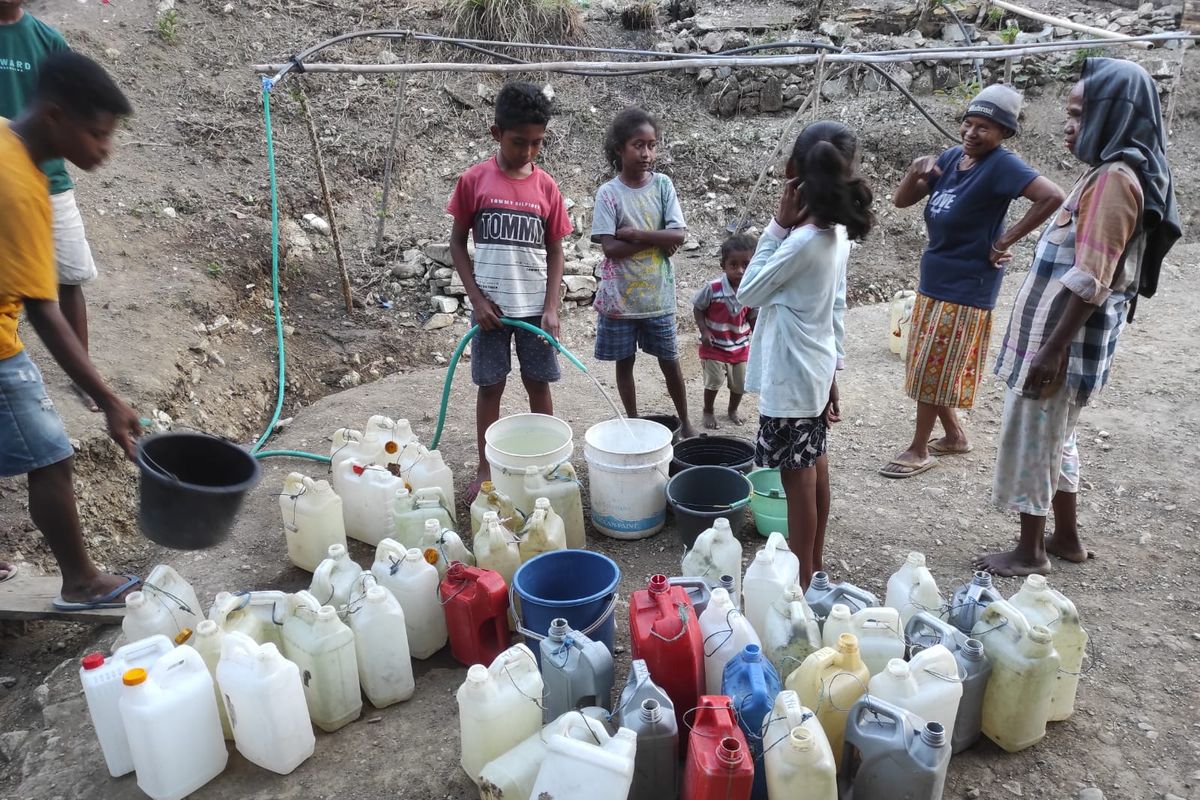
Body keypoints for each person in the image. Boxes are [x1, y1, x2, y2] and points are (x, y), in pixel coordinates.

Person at [976, 58, 1181, 576]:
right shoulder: (1112, 168)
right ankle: (1066, 538)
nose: (1068, 125)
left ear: (1113, 114)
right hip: (1066, 342)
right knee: (1058, 436)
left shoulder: (1116, 179)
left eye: (1078, 114)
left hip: (1063, 343)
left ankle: (1031, 551)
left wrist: (1051, 349)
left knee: (1035, 435)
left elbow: (1093, 277)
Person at [0, 51, 142, 606]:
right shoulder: (23, 190)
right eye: (97, 134)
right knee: (50, 456)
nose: (105, 150)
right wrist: (105, 398)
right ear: (56, 115)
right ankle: (81, 581)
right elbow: (45, 312)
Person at [879, 85, 1064, 479]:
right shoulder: (951, 158)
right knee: (928, 364)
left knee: (933, 366)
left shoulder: (1002, 166)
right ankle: (955, 436)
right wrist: (915, 170)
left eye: (985, 127)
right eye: (968, 123)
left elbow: (1052, 196)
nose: (972, 132)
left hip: (967, 285)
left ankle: (918, 449)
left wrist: (1003, 241)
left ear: (1004, 134)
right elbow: (901, 202)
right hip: (935, 277)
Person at [737, 120, 873, 588]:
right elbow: (834, 308)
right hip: (813, 369)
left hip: (792, 376)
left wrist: (775, 226)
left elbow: (748, 293)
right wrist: (833, 372)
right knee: (814, 465)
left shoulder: (802, 240)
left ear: (793, 174)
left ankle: (802, 580)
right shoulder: (837, 235)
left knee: (798, 481)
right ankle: (814, 568)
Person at [448, 82, 572, 501]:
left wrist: (552, 307)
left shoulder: (546, 188)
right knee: (491, 386)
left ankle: (549, 462)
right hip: (491, 312)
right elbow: (456, 243)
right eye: (520, 142)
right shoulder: (474, 181)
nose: (528, 152)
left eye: (537, 143)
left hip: (535, 308)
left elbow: (555, 249)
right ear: (495, 132)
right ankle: (487, 467)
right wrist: (477, 300)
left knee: (539, 382)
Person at [0, 0, 103, 411]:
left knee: (69, 276)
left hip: (51, 180)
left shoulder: (47, 40)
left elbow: (76, 103)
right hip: (4, 179)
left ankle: (84, 376)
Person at [591, 107, 695, 438]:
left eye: (652, 145)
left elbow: (678, 235)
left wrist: (635, 235)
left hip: (657, 296)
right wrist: (658, 240)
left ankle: (687, 423)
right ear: (620, 148)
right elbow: (610, 248)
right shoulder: (608, 193)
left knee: (670, 361)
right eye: (638, 145)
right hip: (620, 300)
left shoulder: (663, 186)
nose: (647, 153)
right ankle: (633, 422)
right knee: (625, 362)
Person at [692, 233, 756, 429]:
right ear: (723, 265)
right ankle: (708, 410)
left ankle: (732, 409)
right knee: (714, 382)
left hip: (740, 346)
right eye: (733, 265)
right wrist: (704, 331)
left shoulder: (752, 289)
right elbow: (698, 307)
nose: (740, 270)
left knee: (740, 384)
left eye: (746, 265)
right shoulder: (713, 288)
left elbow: (753, 314)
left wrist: (759, 336)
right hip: (715, 346)